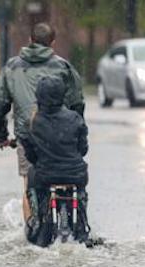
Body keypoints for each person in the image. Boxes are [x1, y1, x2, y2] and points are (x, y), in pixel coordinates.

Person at [0, 23, 85, 222]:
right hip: (62, 136)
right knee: (70, 179)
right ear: (52, 43)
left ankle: (31, 231)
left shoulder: (11, 67)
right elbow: (77, 104)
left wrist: (1, 136)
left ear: (30, 41)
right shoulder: (63, 67)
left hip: (27, 136)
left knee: (28, 185)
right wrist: (76, 131)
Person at [19, 76, 90, 245]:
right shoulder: (75, 119)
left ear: (39, 97)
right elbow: (83, 149)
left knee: (30, 173)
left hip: (46, 177)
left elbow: (30, 155)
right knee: (81, 192)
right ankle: (81, 212)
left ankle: (35, 220)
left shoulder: (33, 122)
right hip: (76, 176)